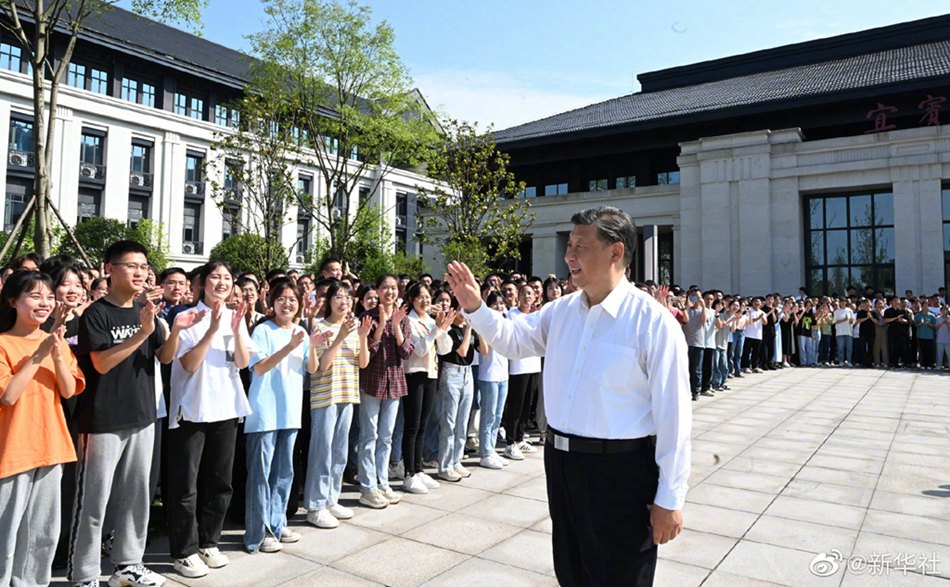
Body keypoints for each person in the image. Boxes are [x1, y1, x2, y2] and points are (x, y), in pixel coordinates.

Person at [446, 206, 690, 587]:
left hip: (620, 472)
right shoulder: (558, 312)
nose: (569, 255)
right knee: (572, 571)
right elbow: (513, 340)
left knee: (620, 575)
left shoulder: (652, 323)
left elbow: (674, 416)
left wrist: (670, 497)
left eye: (581, 246)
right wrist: (474, 306)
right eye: (569, 245)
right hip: (562, 464)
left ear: (615, 252)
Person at [68, 241, 202, 587]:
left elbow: (165, 357)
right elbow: (101, 362)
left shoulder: (148, 311)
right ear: (109, 269)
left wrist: (176, 329)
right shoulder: (96, 314)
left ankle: (127, 563)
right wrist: (142, 331)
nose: (140, 272)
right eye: (132, 265)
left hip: (143, 416)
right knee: (94, 501)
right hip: (103, 421)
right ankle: (84, 573)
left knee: (136, 495)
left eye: (144, 266)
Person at [166, 261, 254, 579]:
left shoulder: (235, 318)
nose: (222, 282)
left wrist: (234, 328)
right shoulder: (187, 317)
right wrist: (212, 330)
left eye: (228, 278)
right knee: (185, 485)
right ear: (202, 283)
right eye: (215, 277)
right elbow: (188, 364)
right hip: (192, 410)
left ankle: (208, 541)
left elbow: (243, 363)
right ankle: (184, 551)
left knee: (220, 482)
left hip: (226, 408)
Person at [0, 271, 85, 587]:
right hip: (12, 450)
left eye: (49, 296)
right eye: (35, 296)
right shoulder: (4, 344)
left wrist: (57, 351)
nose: (44, 302)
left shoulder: (53, 340)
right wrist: (39, 354)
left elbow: (67, 389)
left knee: (43, 534)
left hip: (51, 446)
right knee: (6, 534)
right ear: (13, 301)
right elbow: (8, 395)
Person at [243, 279, 321, 553]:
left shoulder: (300, 331)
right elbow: (260, 368)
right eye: (282, 298)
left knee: (284, 473)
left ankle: (276, 523)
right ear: (271, 302)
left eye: (292, 299)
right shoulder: (263, 331)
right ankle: (257, 532)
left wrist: (311, 344)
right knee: (260, 475)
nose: (287, 303)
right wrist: (289, 347)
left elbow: (312, 368)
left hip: (290, 412)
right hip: (264, 413)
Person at [304, 282, 369, 528]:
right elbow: (322, 366)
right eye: (338, 297)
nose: (344, 301)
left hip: (348, 394)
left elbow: (362, 363)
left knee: (340, 451)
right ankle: (315, 505)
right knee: (322, 450)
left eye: (348, 297)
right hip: (325, 396)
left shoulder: (354, 327)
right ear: (329, 300)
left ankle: (331, 498)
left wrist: (361, 338)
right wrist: (340, 337)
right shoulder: (321, 327)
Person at [356, 275, 410, 509]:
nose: (389, 292)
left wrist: (396, 325)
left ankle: (382, 482)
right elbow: (368, 352)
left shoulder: (403, 318)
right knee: (369, 436)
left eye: (393, 288)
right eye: (385, 288)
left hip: (395, 383)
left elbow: (406, 351)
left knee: (386, 437)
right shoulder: (366, 318)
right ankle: (368, 488)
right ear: (377, 290)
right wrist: (379, 327)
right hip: (372, 382)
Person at [401, 283, 453, 494]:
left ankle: (418, 469)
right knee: (412, 426)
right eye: (420, 297)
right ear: (412, 299)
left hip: (431, 374)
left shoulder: (431, 321)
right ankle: (408, 473)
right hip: (414, 374)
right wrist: (436, 330)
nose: (425, 301)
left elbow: (446, 348)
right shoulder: (409, 321)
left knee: (423, 424)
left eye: (427, 297)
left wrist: (442, 328)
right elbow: (420, 349)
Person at [436, 298, 486, 482]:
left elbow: (485, 349)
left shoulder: (467, 329)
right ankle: (445, 465)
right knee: (449, 422)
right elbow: (463, 351)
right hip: (452, 373)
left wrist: (477, 328)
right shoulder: (450, 330)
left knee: (462, 422)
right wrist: (469, 330)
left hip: (467, 374)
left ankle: (456, 461)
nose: (464, 315)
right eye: (461, 310)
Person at [476, 291, 510, 469]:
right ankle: (485, 452)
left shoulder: (504, 323)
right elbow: (485, 350)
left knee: (498, 415)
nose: (499, 306)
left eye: (501, 303)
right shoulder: (485, 326)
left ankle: (492, 448)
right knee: (488, 415)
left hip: (503, 374)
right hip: (489, 376)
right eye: (495, 303)